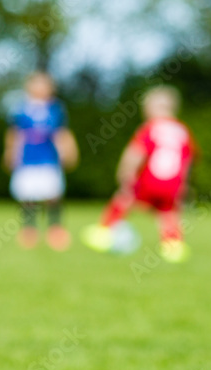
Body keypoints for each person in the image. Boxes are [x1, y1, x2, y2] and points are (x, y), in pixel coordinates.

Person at [81, 86, 196, 263]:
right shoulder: (182, 131)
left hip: (151, 179)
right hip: (173, 182)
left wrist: (125, 172)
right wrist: (184, 184)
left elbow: (136, 152)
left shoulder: (151, 128)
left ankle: (104, 231)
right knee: (168, 212)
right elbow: (187, 161)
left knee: (124, 197)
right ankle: (173, 246)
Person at [3, 72, 78, 250]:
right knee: (27, 196)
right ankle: (29, 230)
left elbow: (61, 133)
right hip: (27, 160)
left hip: (48, 159)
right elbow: (15, 134)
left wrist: (67, 151)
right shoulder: (21, 109)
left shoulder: (55, 109)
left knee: (53, 195)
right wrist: (10, 153)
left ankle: (55, 229)